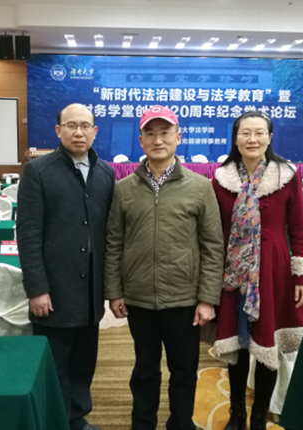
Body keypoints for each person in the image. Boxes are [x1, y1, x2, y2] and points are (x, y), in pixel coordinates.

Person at [104, 105, 224, 430]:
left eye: (165, 133)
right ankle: (142, 424)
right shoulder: (123, 189)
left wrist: (207, 298)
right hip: (139, 298)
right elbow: (114, 243)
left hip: (184, 299)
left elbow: (213, 246)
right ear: (141, 140)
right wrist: (114, 291)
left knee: (184, 371)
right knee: (145, 370)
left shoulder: (201, 187)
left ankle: (181, 424)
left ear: (178, 137)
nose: (158, 140)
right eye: (151, 133)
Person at [211, 111, 303, 430]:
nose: (252, 139)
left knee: (269, 345)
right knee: (237, 346)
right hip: (234, 274)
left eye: (259, 133)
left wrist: (302, 276)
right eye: (245, 133)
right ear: (235, 138)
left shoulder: (286, 175)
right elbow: (214, 230)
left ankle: (259, 416)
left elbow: (299, 228)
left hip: (273, 271)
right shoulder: (222, 178)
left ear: (269, 137)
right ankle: (237, 413)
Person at [16, 103, 115, 430]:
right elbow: (28, 234)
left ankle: (76, 419)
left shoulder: (105, 173)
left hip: (89, 293)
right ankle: (57, 422)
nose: (79, 132)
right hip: (54, 291)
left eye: (85, 126)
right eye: (71, 125)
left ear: (95, 131)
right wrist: (37, 289)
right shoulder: (38, 171)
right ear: (58, 131)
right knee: (55, 365)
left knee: (83, 363)